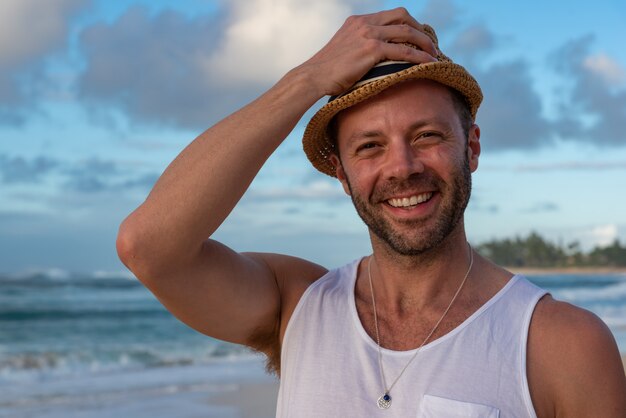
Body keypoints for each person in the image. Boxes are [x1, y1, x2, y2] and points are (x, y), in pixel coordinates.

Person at [116, 8, 626, 417]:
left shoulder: (562, 344)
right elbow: (149, 247)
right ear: (340, 173)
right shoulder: (297, 306)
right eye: (370, 147)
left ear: (471, 147)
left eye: (426, 136)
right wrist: (308, 79)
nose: (401, 168)